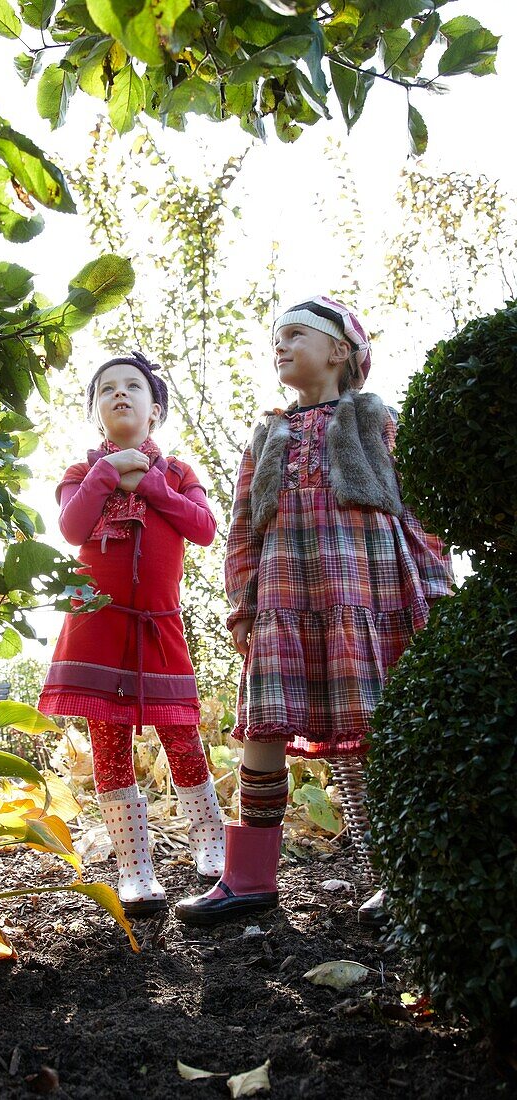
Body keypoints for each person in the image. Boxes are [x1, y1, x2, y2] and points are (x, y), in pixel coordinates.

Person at [176, 296, 454, 927]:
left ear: (339, 351)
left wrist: (431, 586)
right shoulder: (268, 433)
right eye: (277, 336)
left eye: (297, 333)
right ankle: (248, 879)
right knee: (265, 726)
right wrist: (242, 600)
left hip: (361, 590)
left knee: (368, 729)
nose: (282, 343)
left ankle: (394, 873)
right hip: (283, 599)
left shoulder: (378, 421)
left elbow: (417, 510)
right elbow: (245, 523)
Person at [39, 351, 224, 917]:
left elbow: (205, 529)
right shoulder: (80, 473)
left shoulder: (178, 474)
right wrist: (106, 472)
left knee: (182, 736)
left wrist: (152, 487)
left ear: (156, 408)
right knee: (109, 746)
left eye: (133, 387)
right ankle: (134, 870)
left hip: (159, 629)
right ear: (96, 411)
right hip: (96, 628)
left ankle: (213, 852)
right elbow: (72, 526)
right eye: (106, 390)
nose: (120, 395)